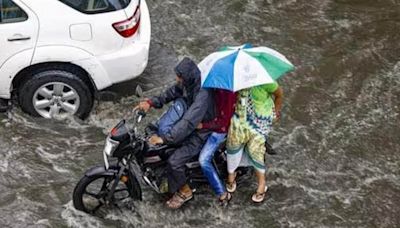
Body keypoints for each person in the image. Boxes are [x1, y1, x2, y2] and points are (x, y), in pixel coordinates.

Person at [136, 57, 215, 209]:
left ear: (188, 76)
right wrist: (151, 102)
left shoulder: (202, 96)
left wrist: (165, 139)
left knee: (174, 161)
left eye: (180, 77)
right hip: (190, 121)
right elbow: (172, 92)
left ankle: (185, 191)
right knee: (153, 130)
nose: (177, 79)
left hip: (201, 132)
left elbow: (188, 123)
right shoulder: (188, 83)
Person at [225, 81, 283, 203]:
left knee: (255, 150)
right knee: (233, 143)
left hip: (259, 122)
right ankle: (231, 175)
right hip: (240, 118)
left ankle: (262, 184)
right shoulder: (236, 80)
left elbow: (279, 94)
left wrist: (276, 111)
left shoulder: (265, 81)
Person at [197, 89, 236, 206]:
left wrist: (203, 125)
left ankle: (222, 193)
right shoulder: (213, 88)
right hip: (212, 123)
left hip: (220, 129)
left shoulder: (229, 94)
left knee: (203, 160)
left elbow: (223, 122)